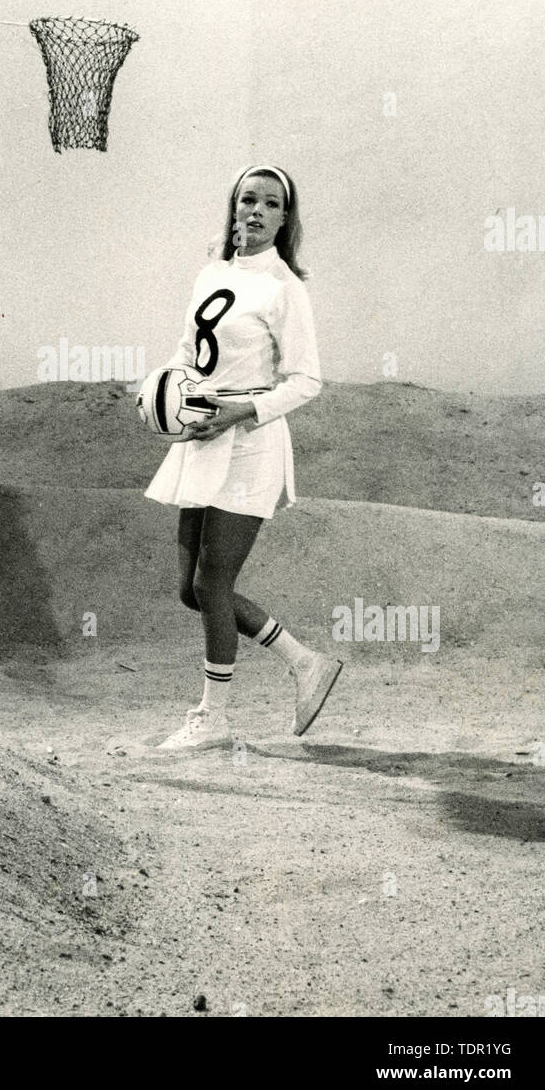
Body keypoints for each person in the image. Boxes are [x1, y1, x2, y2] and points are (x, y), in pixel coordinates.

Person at [144, 164, 342, 752]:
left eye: (270, 204)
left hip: (250, 443)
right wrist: (166, 392)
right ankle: (304, 662)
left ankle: (214, 718)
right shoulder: (212, 272)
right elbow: (188, 350)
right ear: (232, 207)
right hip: (202, 436)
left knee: (214, 581)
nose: (255, 211)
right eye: (247, 200)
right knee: (191, 588)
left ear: (285, 219)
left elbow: (307, 381)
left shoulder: (284, 289)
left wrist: (243, 412)